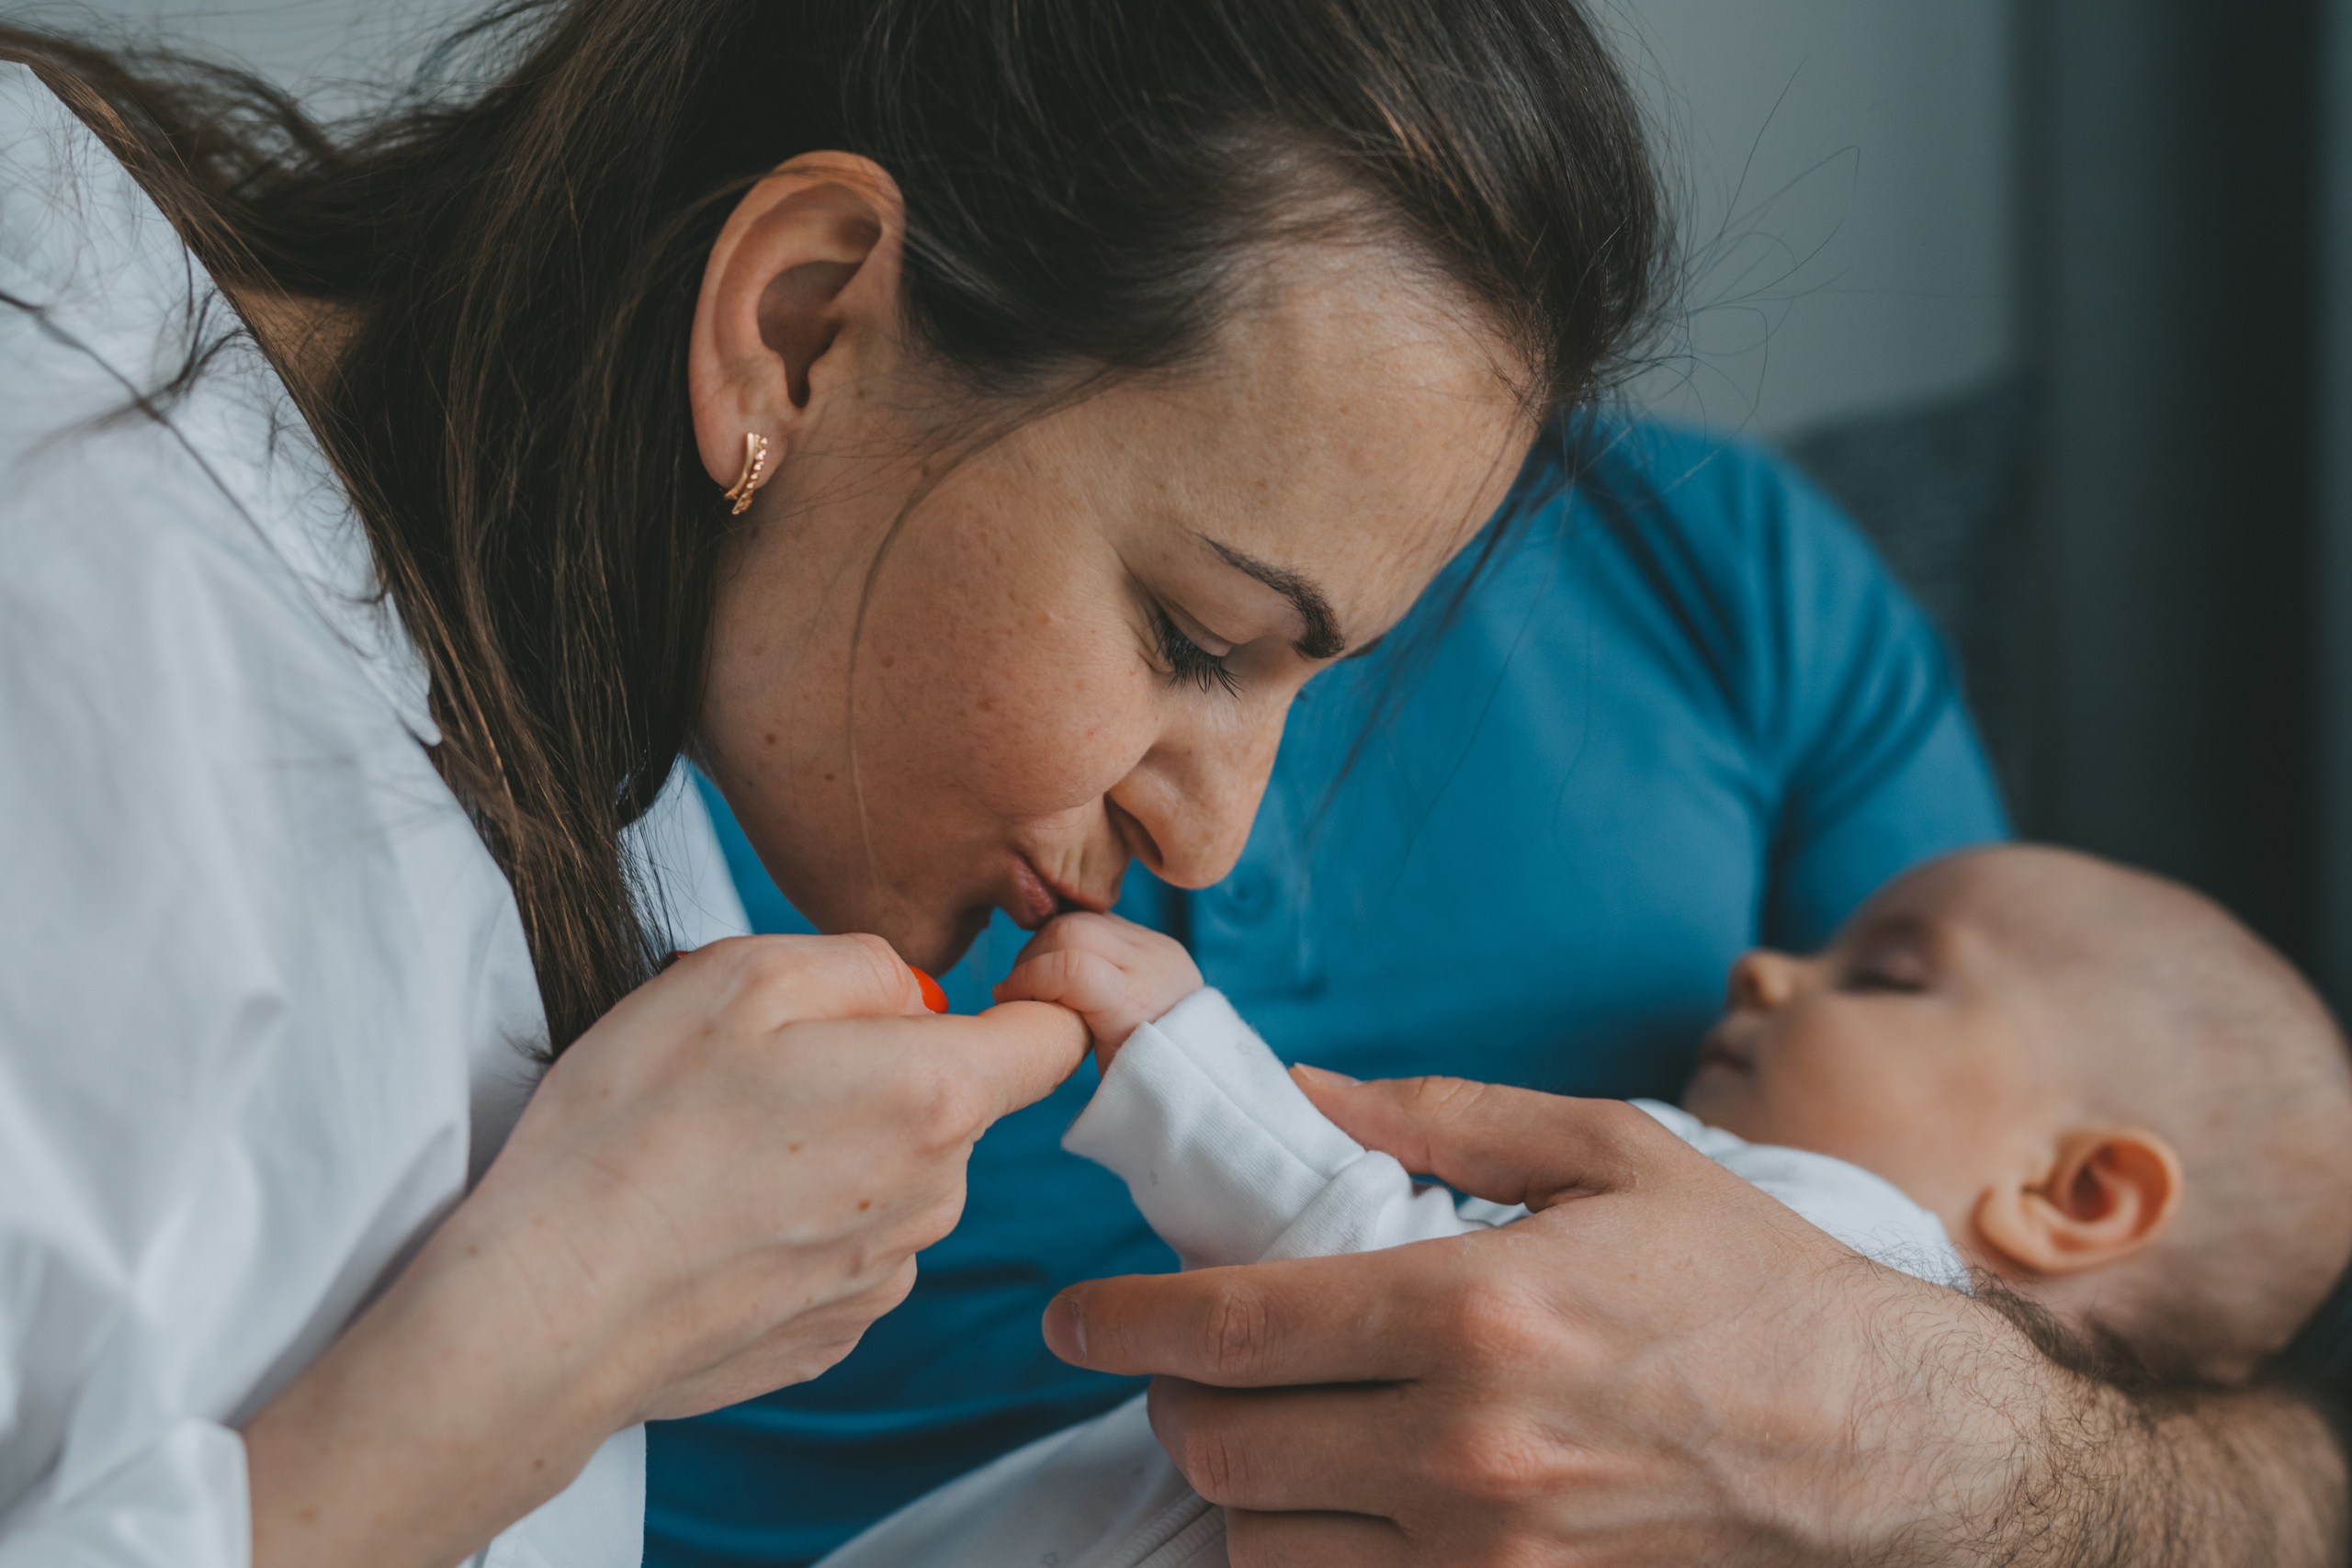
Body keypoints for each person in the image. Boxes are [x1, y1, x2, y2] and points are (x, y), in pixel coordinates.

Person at [0, 0, 1663, 1562]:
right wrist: (556, 1337)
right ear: (799, 326)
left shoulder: (612, 794)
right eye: (1191, 635)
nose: (1209, 842)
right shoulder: (68, 619)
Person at [809, 839, 2352, 1567]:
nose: (1766, 963)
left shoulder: (1846, 1241)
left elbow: (1404, 1295)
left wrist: (1175, 1066)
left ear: (2074, 1194)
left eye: (1883, 972)